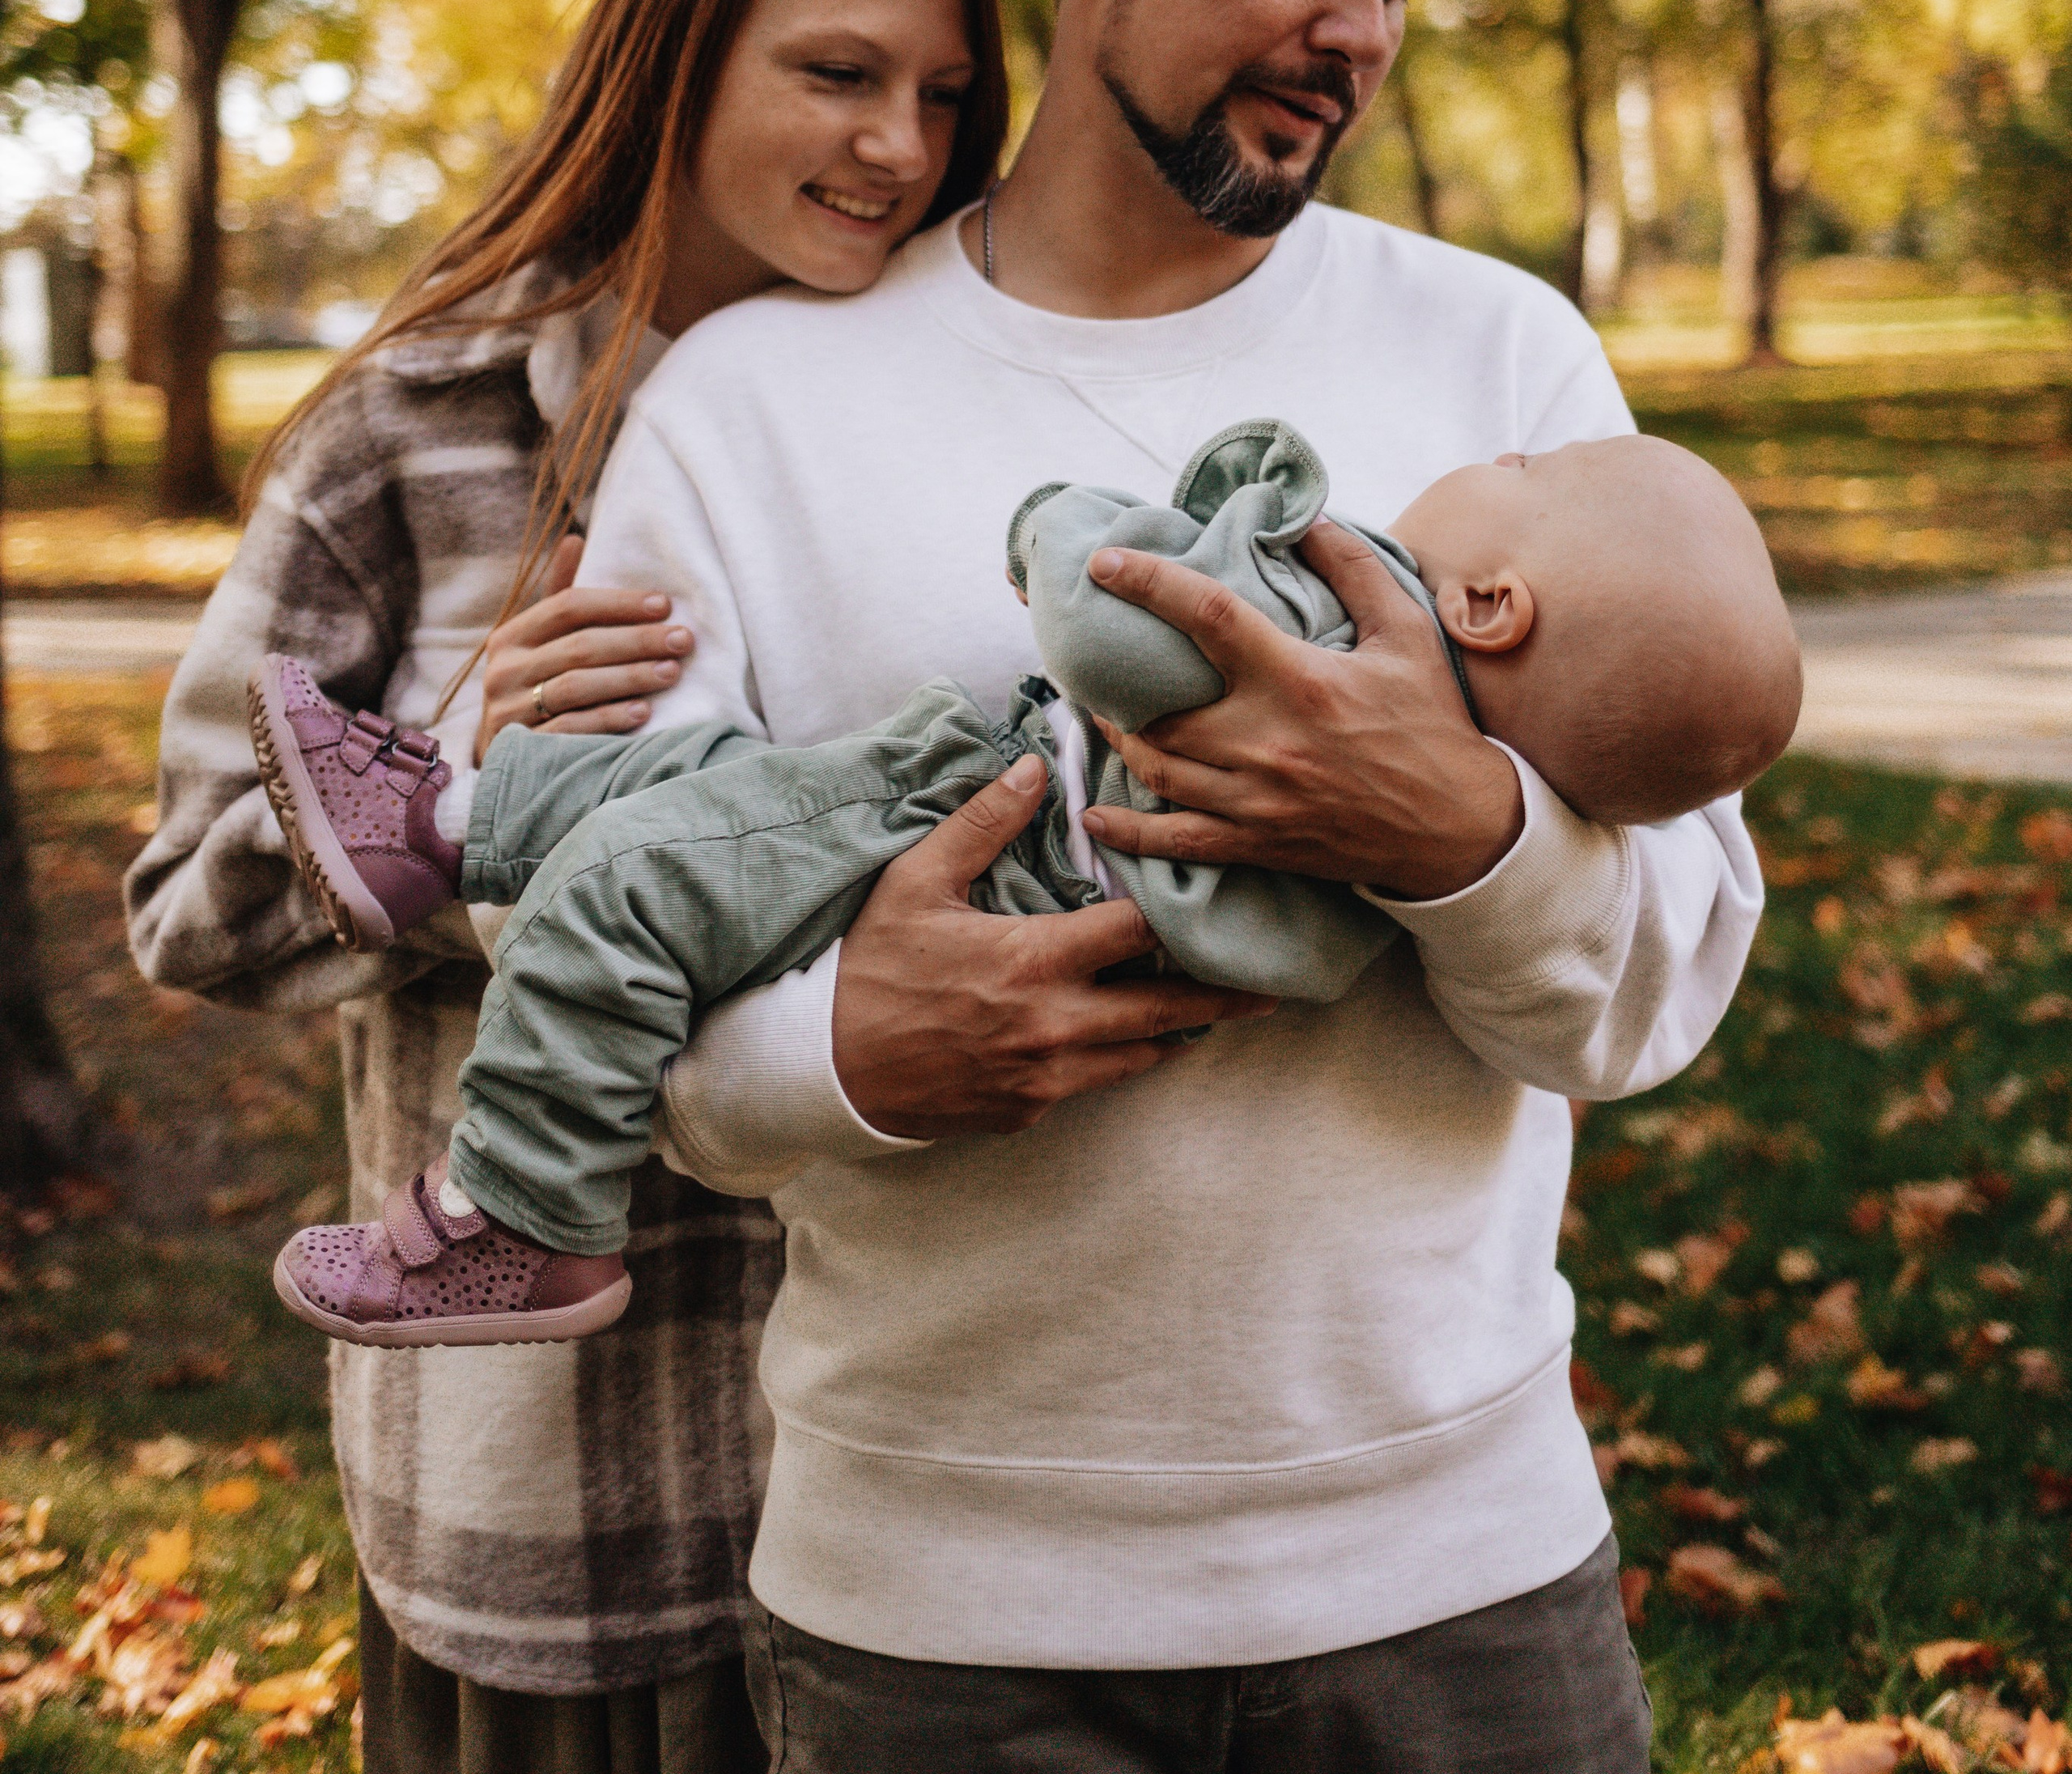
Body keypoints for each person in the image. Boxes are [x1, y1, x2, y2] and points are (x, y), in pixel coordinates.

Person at [531, 0, 1770, 1774]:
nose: (1357, 26)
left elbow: (1657, 995)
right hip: (939, 1599)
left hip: (1455, 1559)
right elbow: (614, 981)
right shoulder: (750, 406)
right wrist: (854, 1054)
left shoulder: (1501, 361)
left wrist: (1460, 838)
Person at [124, 0, 1015, 1774]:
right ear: (676, 60)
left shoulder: (954, 430)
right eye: (836, 72)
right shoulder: (410, 436)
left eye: (943, 94)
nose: (896, 145)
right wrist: (455, 794)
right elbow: (184, 904)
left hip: (920, 1460)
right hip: (572, 1481)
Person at [250, 420, 1799, 1346]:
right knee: (706, 789)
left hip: (980, 831)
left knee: (641, 875)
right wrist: (829, 1053)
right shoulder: (1440, 707)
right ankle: (436, 824)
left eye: (1526, 466)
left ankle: (527, 1213)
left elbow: (1122, 636)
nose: (1500, 451)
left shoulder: (1345, 630)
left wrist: (1054, 527)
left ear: (1494, 604)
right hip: (988, 837)